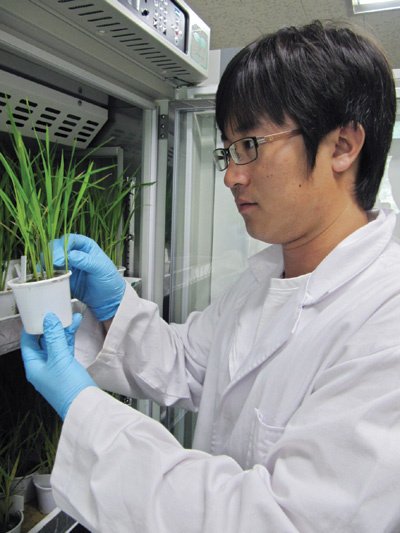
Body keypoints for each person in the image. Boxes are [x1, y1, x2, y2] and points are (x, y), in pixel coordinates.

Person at [20, 20, 400, 532]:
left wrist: (84, 409)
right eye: (228, 150)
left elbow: (279, 522)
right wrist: (113, 310)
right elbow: (190, 363)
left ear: (342, 146)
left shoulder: (386, 322)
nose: (231, 175)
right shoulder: (267, 278)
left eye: (250, 145)